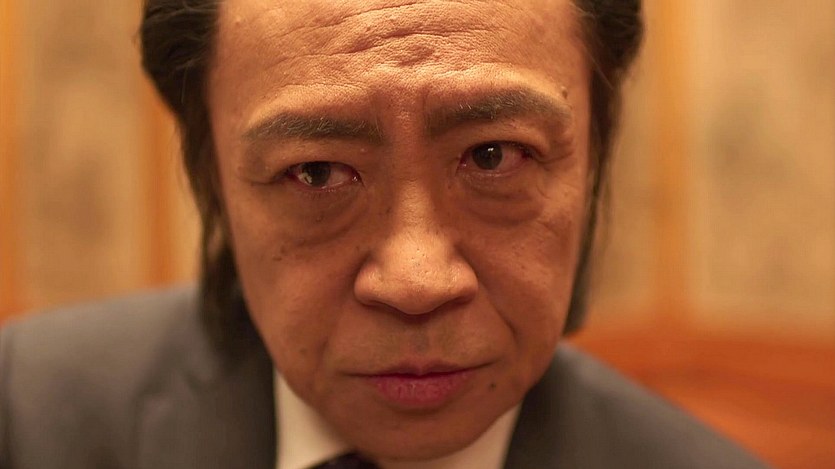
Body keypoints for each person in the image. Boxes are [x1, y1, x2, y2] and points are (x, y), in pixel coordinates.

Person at [0, 1, 769, 468]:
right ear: (212, 175)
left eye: (492, 156)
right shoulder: (25, 419)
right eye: (316, 172)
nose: (415, 279)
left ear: (593, 153)